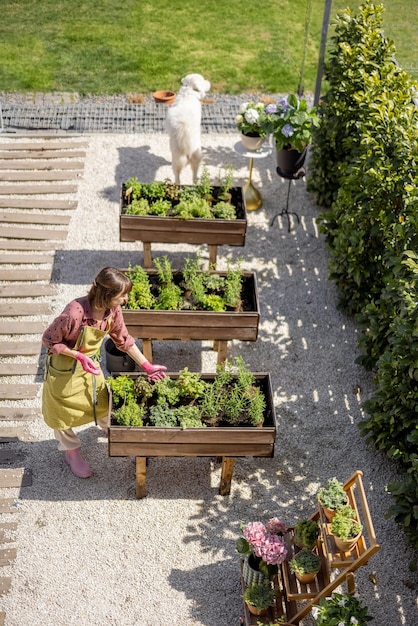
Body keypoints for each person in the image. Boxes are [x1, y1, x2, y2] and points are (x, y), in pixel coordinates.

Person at [42, 266, 167, 479]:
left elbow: (124, 341)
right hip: (64, 368)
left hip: (89, 366)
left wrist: (147, 366)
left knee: (102, 402)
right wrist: (79, 356)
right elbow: (49, 340)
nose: (126, 299)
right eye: (122, 295)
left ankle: (111, 429)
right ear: (107, 294)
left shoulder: (112, 311)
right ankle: (71, 453)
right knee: (62, 414)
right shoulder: (74, 313)